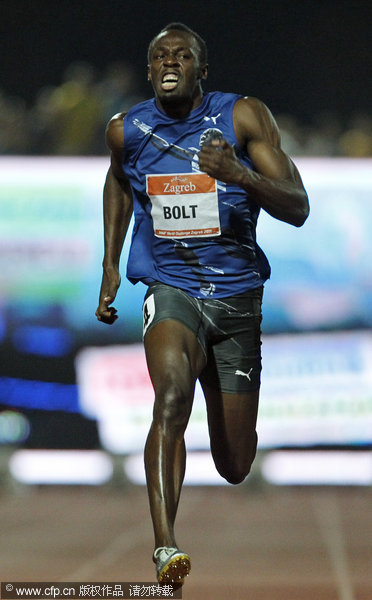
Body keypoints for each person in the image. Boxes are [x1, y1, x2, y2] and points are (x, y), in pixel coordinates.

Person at [96, 22, 309, 586]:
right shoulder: (128, 129)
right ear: (149, 70)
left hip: (238, 299)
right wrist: (111, 264)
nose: (170, 62)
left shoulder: (243, 117)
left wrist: (237, 173)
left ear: (201, 69)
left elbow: (298, 205)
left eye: (182, 55)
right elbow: (117, 181)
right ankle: (166, 549)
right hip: (171, 288)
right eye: (160, 56)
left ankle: (222, 386)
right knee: (169, 395)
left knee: (235, 464)